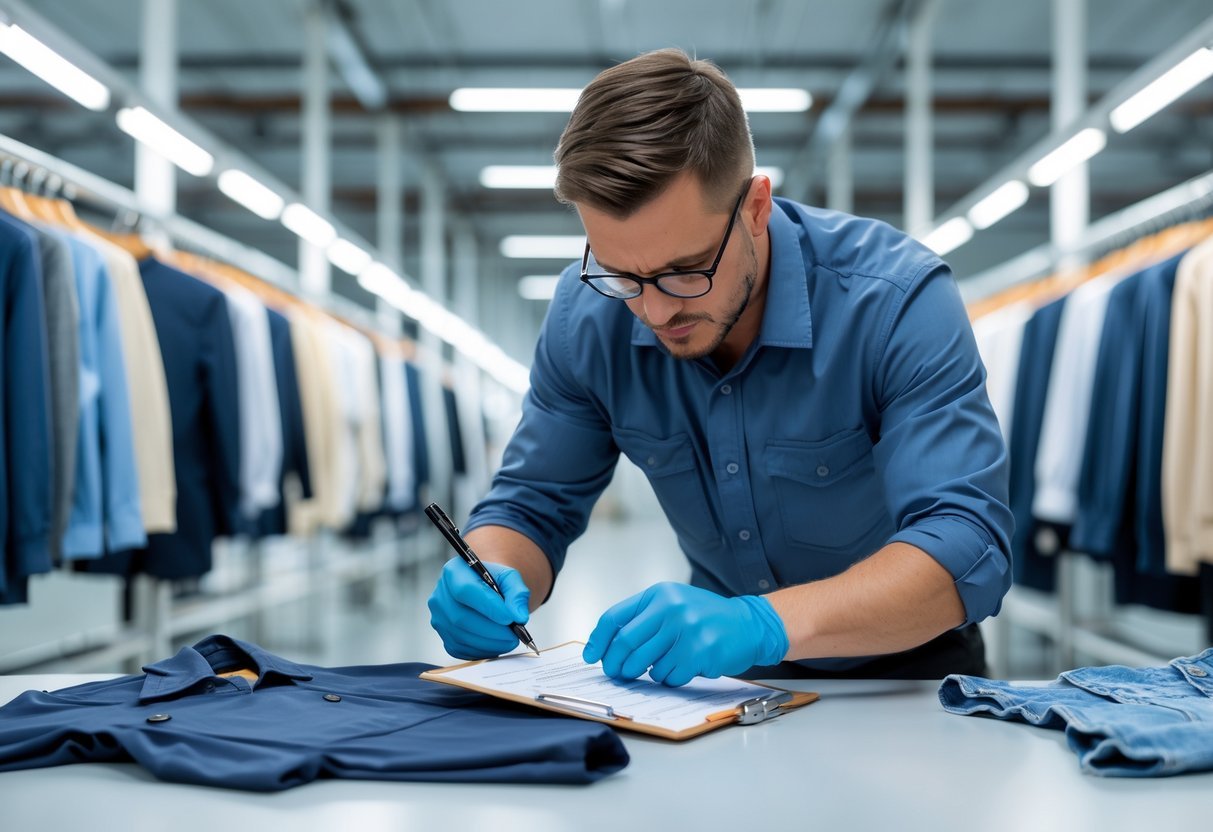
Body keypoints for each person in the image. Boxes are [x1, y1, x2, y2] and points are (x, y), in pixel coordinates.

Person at [427, 48, 1013, 684]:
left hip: (906, 680)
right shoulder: (586, 317)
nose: (652, 308)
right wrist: (489, 571)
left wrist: (761, 625)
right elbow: (532, 505)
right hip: (718, 684)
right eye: (623, 273)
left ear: (756, 207)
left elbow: (966, 544)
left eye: (685, 270)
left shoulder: (897, 301)